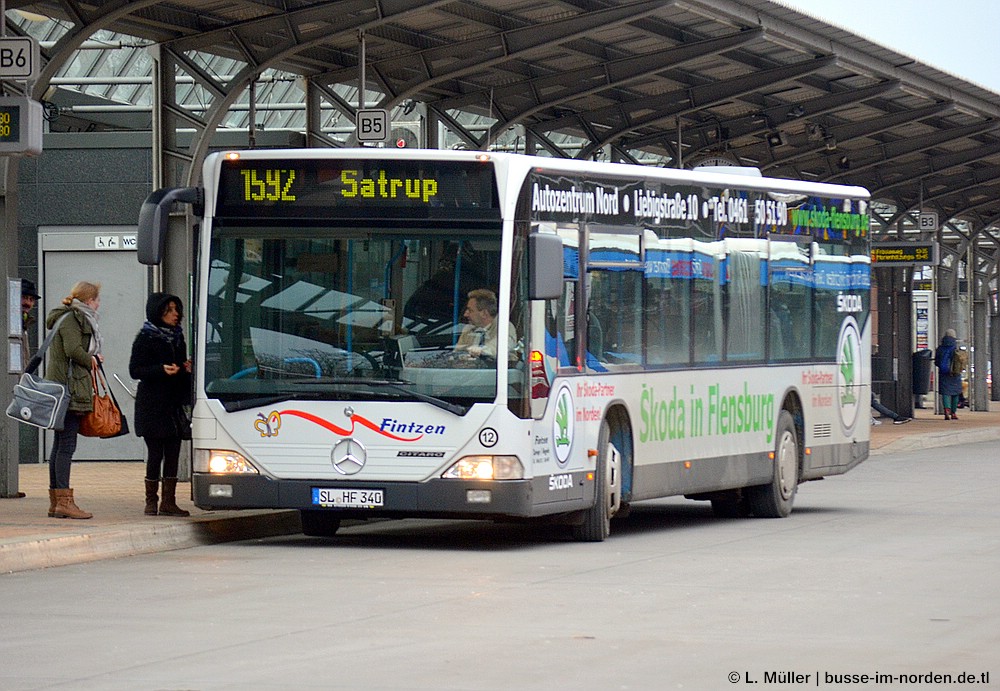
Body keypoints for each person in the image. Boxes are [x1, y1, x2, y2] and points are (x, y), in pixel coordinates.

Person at [129, 293, 193, 517]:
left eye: (177, 309)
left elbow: (181, 370)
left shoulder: (178, 338)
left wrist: (185, 369)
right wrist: (160, 370)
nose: (176, 314)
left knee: (173, 452)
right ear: (158, 312)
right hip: (152, 406)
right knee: (155, 453)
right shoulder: (146, 338)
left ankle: (169, 502)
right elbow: (135, 370)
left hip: (173, 405)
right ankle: (151, 501)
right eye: (170, 310)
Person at [45, 281, 104, 519]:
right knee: (66, 446)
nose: (99, 304)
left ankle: (56, 502)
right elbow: (72, 350)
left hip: (66, 387)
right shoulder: (73, 318)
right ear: (88, 300)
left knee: (60, 445)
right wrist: (93, 360)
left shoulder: (73, 316)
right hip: (68, 390)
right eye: (97, 299)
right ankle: (64, 502)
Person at [454, 288, 517, 362]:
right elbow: (457, 354)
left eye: (470, 310)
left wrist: (478, 351)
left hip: (496, 372)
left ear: (484, 313)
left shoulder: (504, 326)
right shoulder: (468, 329)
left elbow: (495, 348)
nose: (465, 314)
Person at [934, 328, 963, 420]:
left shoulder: (940, 348)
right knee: (955, 393)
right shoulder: (956, 348)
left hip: (943, 374)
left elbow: (937, 361)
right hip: (955, 374)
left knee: (945, 393)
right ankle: (953, 413)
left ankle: (946, 410)